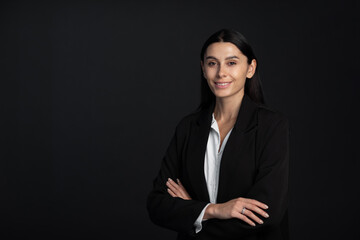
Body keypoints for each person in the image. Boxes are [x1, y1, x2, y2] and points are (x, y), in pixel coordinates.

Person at [146, 28, 290, 240]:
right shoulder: (188, 127)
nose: (221, 72)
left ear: (250, 68)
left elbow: (266, 215)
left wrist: (194, 214)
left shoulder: (272, 126)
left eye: (231, 63)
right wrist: (214, 210)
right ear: (203, 69)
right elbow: (157, 204)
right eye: (212, 63)